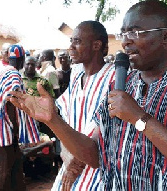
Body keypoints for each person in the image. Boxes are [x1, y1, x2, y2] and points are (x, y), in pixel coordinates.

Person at [8, 1, 167, 190]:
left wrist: (139, 118)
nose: (125, 42)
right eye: (123, 34)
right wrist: (54, 121)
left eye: (135, 32)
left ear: (166, 37)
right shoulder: (122, 85)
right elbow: (96, 155)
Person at [50, 21, 115, 191]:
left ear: (96, 45)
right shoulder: (76, 76)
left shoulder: (115, 77)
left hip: (97, 169)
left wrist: (75, 162)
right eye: (71, 41)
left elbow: (102, 129)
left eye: (77, 41)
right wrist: (66, 153)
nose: (71, 47)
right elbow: (67, 118)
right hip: (70, 162)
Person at [0, 44, 40, 191]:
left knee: (15, 171)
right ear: (22, 59)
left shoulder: (4, 71)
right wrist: (16, 130)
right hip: (3, 131)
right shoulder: (13, 75)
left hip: (3, 130)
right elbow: (11, 102)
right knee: (3, 174)